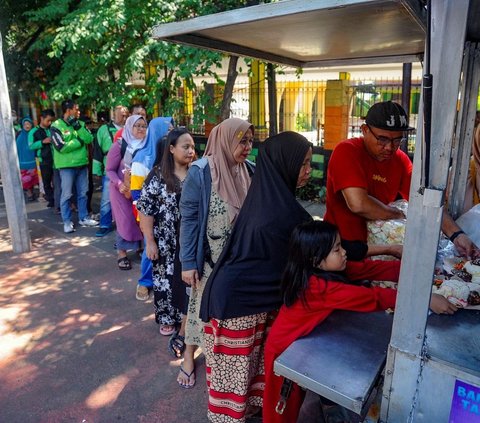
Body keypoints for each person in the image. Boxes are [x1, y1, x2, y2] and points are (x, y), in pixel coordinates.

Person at [262, 220, 458, 423]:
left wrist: (423, 271)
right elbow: (373, 297)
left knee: (295, 398)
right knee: (281, 409)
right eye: (337, 249)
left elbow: (372, 269)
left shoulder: (329, 270)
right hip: (283, 350)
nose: (344, 252)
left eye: (341, 246)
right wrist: (424, 299)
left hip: (304, 342)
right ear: (316, 260)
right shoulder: (317, 287)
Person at [199, 131, 313, 423]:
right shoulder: (281, 214)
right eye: (303, 164)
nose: (309, 172)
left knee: (249, 384)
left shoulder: (269, 200)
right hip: (237, 308)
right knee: (233, 392)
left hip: (245, 302)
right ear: (283, 165)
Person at [324, 100, 479, 259]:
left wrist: (457, 235)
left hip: (380, 252)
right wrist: (396, 214)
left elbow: (426, 201)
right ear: (365, 130)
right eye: (382, 139)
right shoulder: (347, 151)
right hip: (339, 252)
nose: (390, 147)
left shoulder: (400, 160)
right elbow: (359, 204)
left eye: (397, 140)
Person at [179, 118, 255, 389]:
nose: (247, 147)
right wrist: (188, 263)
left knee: (226, 319)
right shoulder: (200, 173)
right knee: (199, 312)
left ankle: (219, 362)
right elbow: (188, 220)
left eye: (249, 140)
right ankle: (188, 356)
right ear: (225, 140)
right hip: (210, 262)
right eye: (241, 140)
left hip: (238, 264)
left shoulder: (249, 171)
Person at [136, 128, 196, 341]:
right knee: (164, 279)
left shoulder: (196, 172)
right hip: (164, 240)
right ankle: (167, 318)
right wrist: (149, 241)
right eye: (185, 146)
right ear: (171, 149)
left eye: (192, 147)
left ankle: (185, 318)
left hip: (188, 240)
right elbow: (145, 210)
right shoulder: (157, 175)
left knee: (185, 280)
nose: (191, 151)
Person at [131, 117, 174, 301]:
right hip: (149, 213)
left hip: (170, 216)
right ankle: (145, 282)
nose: (171, 135)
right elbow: (135, 193)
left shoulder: (174, 156)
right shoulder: (141, 158)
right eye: (168, 131)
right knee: (151, 248)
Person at [106, 115, 147, 270]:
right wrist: (119, 183)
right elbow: (109, 170)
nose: (141, 129)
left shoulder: (146, 145)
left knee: (139, 218)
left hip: (139, 188)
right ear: (129, 127)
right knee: (125, 220)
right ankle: (121, 253)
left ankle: (139, 247)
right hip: (120, 190)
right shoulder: (119, 145)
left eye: (144, 126)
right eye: (137, 126)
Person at [50, 99, 98, 233]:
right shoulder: (56, 126)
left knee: (83, 193)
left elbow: (89, 139)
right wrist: (78, 141)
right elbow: (60, 147)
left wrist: (77, 127)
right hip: (66, 166)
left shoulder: (80, 123)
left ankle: (83, 217)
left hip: (82, 164)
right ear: (68, 110)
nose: (79, 111)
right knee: (66, 195)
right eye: (76, 109)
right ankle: (66, 221)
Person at [93, 105, 129, 237]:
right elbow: (97, 151)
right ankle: (105, 224)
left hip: (127, 170)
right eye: (121, 114)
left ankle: (124, 227)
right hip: (110, 170)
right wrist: (96, 170)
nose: (124, 117)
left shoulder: (130, 128)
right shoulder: (104, 129)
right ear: (114, 114)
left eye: (126, 114)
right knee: (106, 199)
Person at [28, 109, 56, 208]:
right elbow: (31, 146)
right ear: (42, 118)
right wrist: (42, 142)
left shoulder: (52, 128)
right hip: (43, 160)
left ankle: (57, 201)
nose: (50, 123)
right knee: (46, 182)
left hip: (57, 160)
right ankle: (51, 200)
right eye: (48, 120)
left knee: (57, 182)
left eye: (51, 120)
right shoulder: (34, 131)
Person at [16, 117, 38, 202]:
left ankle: (32, 192)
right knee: (26, 181)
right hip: (23, 163)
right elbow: (16, 150)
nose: (27, 126)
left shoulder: (34, 135)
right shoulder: (19, 136)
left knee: (32, 180)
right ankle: (29, 194)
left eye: (28, 124)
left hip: (33, 161)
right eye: (25, 124)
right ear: (22, 125)